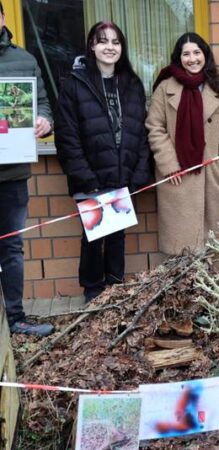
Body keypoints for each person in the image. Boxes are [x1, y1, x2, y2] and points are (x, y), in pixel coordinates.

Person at [55, 21, 151, 302]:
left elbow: (141, 133)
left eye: (116, 42)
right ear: (92, 46)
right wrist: (85, 176)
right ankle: (93, 292)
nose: (110, 47)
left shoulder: (132, 84)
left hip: (123, 175)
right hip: (91, 176)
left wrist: (138, 174)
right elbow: (67, 137)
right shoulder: (75, 84)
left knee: (117, 235)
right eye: (103, 41)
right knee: (94, 236)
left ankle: (115, 289)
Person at [146, 32, 219, 255]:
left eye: (197, 52)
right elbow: (154, 127)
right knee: (180, 249)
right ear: (179, 58)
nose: (192, 58)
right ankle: (181, 287)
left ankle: (207, 288)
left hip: (210, 176)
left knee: (209, 248)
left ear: (205, 55)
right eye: (186, 54)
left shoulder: (218, 89)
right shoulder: (164, 87)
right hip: (177, 177)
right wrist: (169, 165)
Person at [0, 1, 54, 336]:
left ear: (3, 17)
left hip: (12, 175)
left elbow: (44, 103)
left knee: (11, 248)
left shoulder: (25, 60)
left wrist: (44, 121)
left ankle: (16, 318)